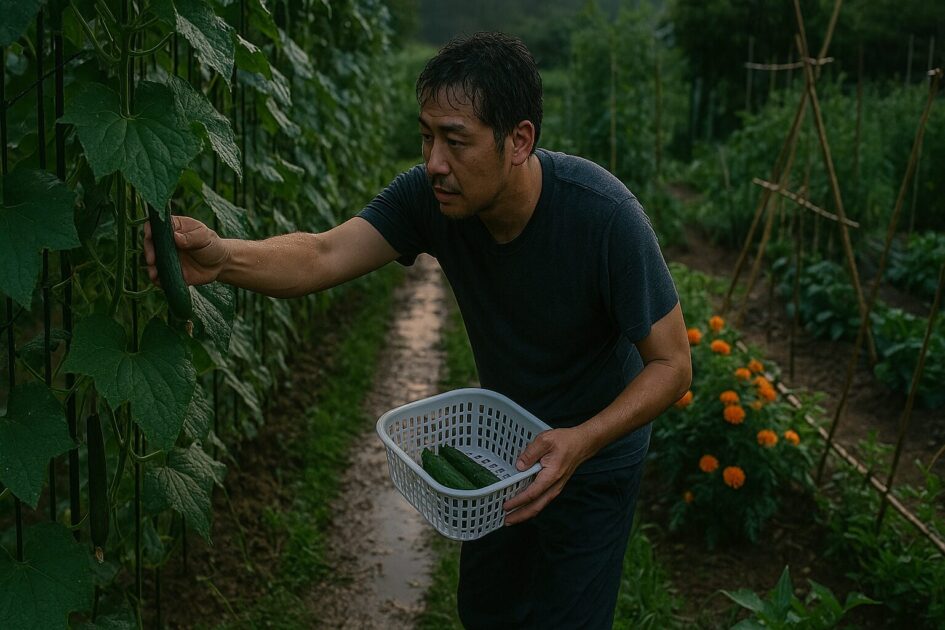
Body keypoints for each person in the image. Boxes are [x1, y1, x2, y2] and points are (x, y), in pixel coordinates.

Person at [145, 31, 691, 630]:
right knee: (486, 612)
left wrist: (582, 440)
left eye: (456, 141)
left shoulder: (604, 217)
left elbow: (672, 365)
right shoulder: (431, 197)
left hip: (594, 463)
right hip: (501, 455)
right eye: (427, 136)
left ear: (519, 140)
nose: (434, 161)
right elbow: (324, 254)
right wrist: (223, 258)